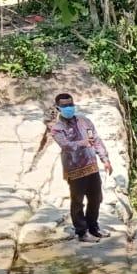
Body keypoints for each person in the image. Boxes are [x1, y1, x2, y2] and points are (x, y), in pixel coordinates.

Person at [46, 92, 113, 242]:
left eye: (70, 104)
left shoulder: (85, 121)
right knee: (77, 201)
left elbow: (95, 139)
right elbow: (66, 145)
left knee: (96, 198)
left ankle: (94, 227)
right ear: (58, 108)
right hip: (74, 169)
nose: (69, 108)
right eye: (64, 106)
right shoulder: (57, 128)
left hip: (92, 167)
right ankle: (82, 232)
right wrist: (83, 143)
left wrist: (105, 159)